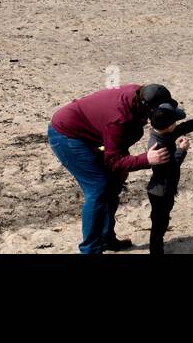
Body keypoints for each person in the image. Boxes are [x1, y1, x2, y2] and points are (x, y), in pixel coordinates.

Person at [47, 83, 176, 254]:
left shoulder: (139, 95)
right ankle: (90, 250)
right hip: (66, 135)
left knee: (114, 182)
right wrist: (146, 159)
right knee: (98, 188)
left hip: (89, 131)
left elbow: (118, 147)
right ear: (147, 108)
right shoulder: (118, 119)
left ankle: (106, 239)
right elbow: (114, 161)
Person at [145, 102, 193, 255]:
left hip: (164, 189)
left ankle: (157, 219)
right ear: (170, 126)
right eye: (174, 122)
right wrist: (181, 150)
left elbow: (185, 126)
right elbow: (169, 168)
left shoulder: (163, 132)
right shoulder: (157, 147)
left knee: (161, 217)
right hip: (160, 191)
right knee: (159, 226)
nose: (177, 124)